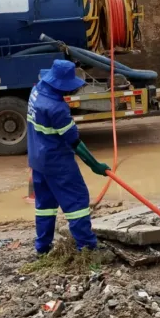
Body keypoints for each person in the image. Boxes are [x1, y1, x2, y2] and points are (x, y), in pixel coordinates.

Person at [27, 59, 110, 255]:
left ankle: (42, 248)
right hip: (58, 163)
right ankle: (87, 249)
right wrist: (95, 165)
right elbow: (75, 142)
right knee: (77, 203)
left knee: (45, 206)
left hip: (37, 161)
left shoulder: (36, 91)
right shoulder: (57, 108)